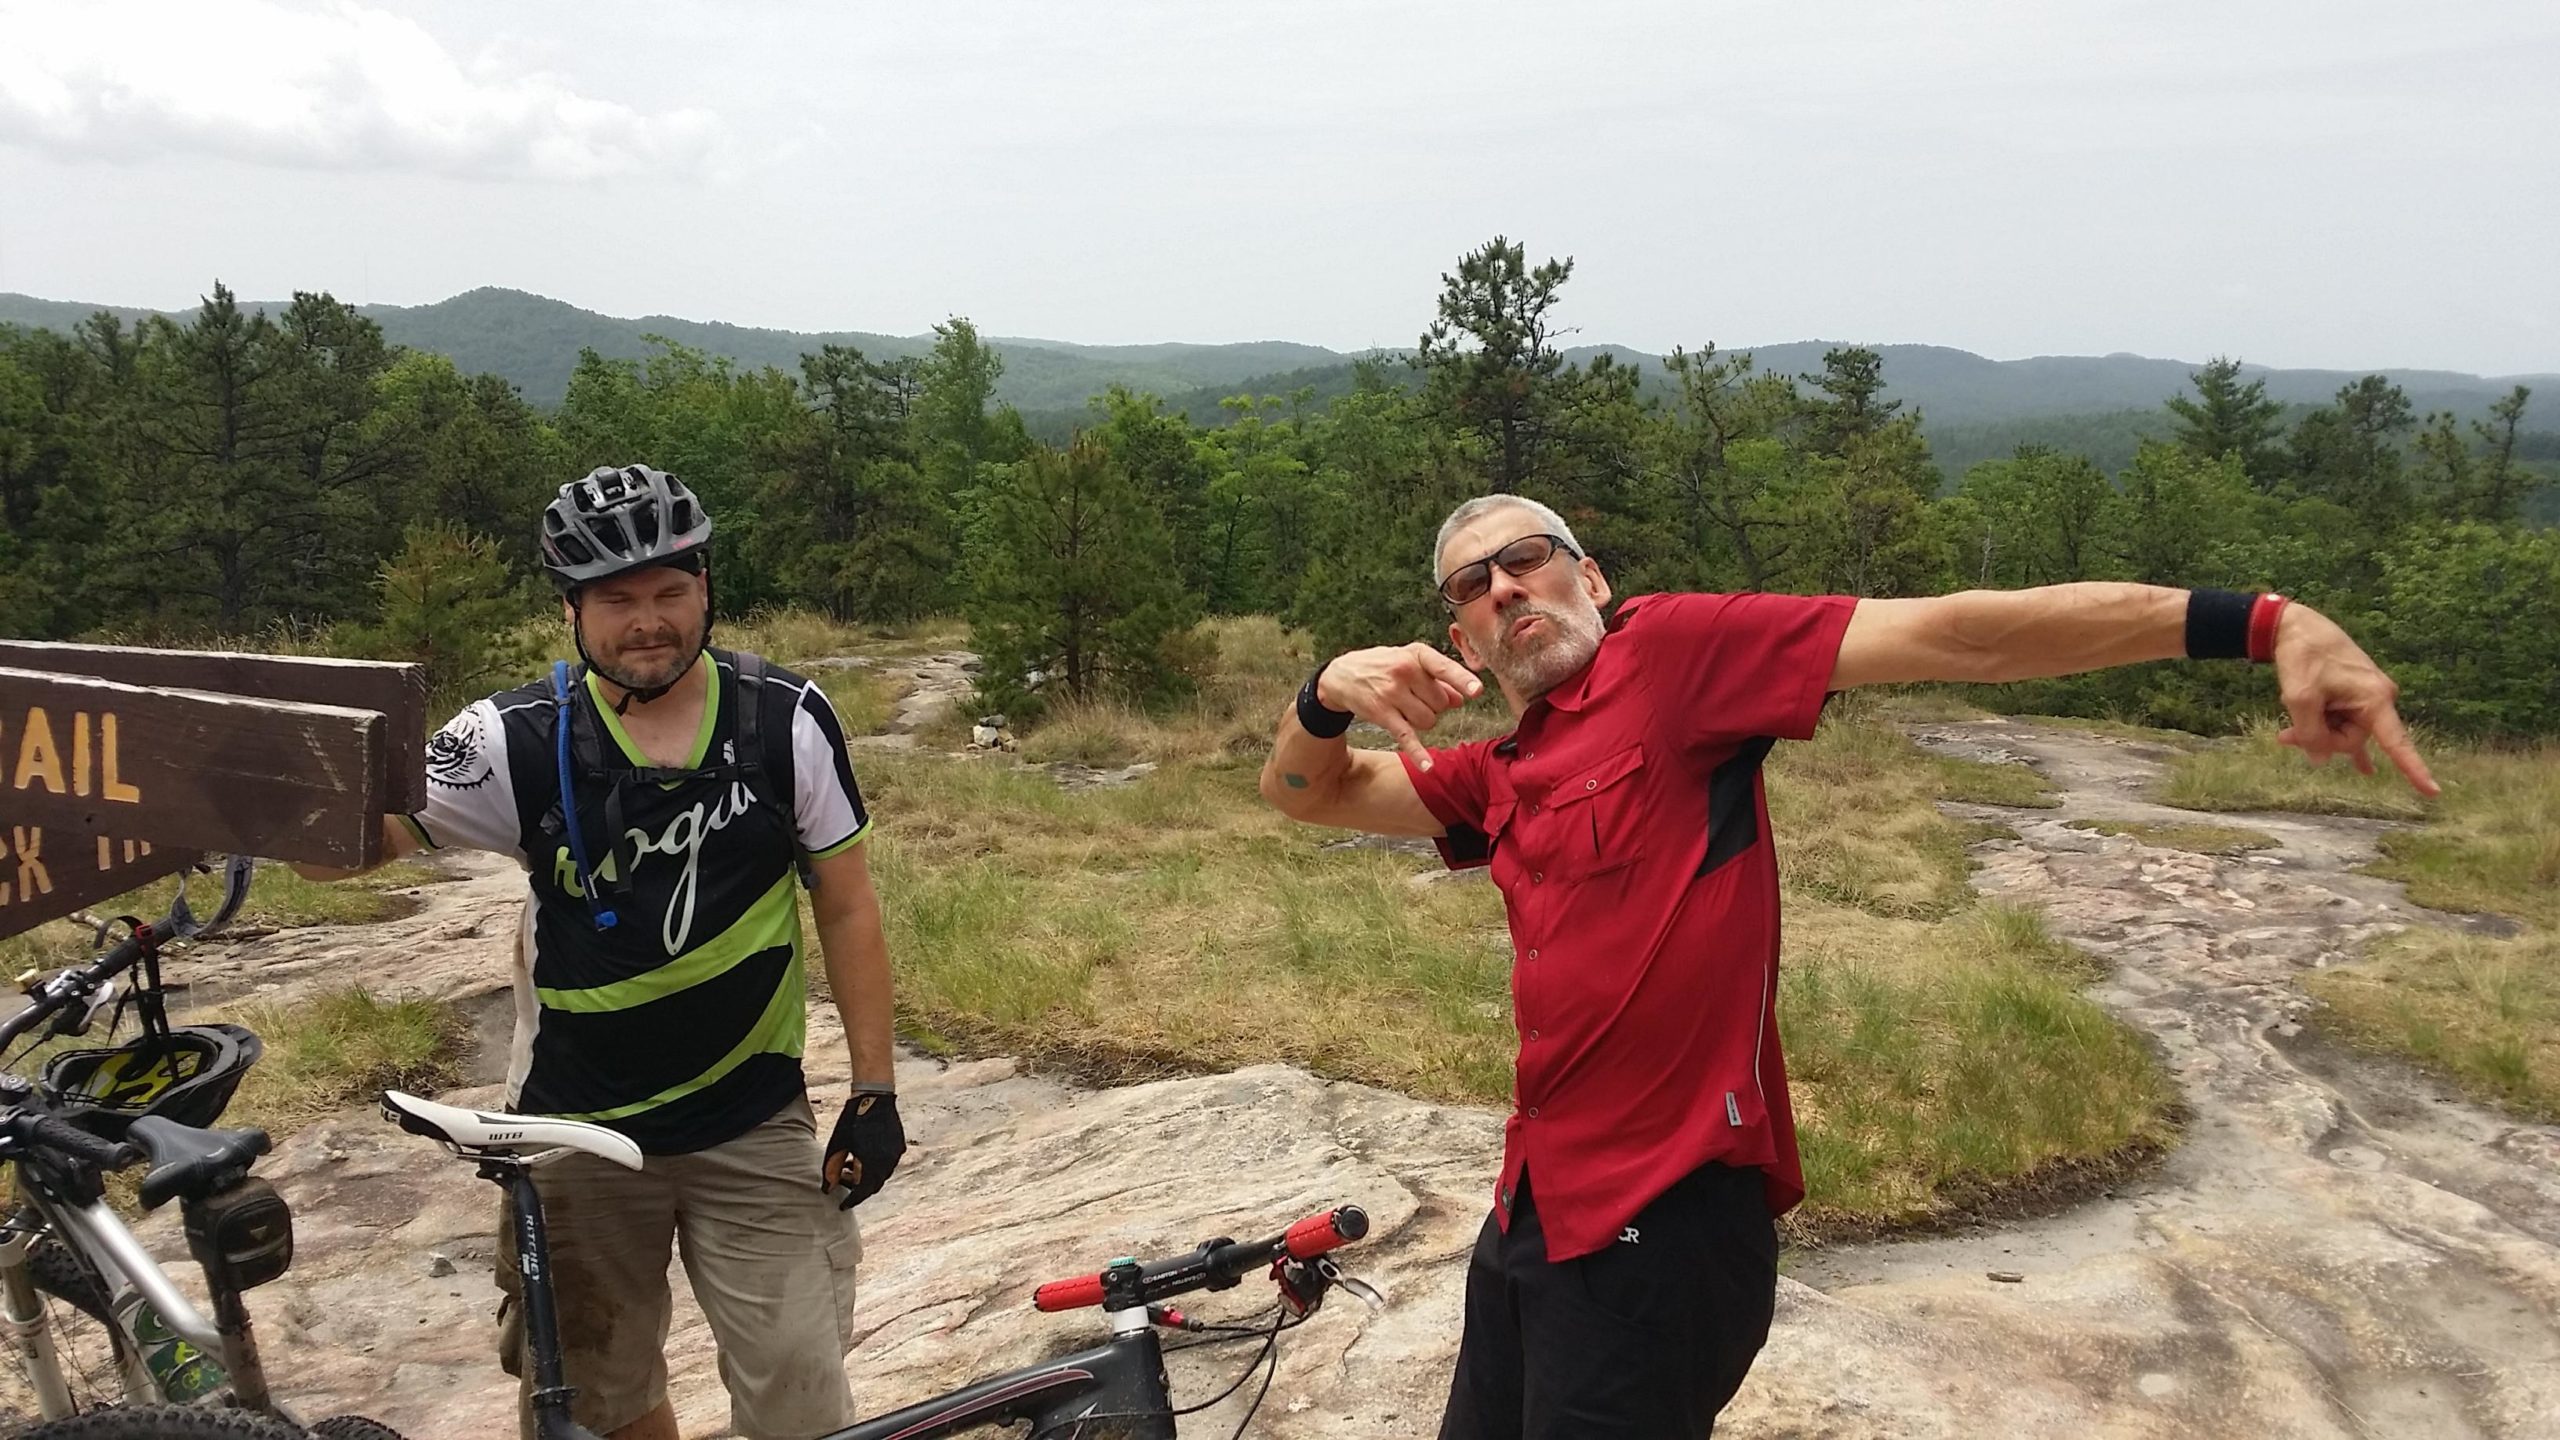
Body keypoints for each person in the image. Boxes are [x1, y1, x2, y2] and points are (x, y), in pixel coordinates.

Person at [1258, 492, 2434, 1440]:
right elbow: (1310, 795)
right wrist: (1321, 697)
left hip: (1663, 1217)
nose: (1505, 587)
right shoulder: (1506, 770)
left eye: (1528, 558)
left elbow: (1954, 632)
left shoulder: (1670, 659)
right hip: (1535, 1210)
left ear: (1591, 579)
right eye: (1473, 584)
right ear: (1460, 634)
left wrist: (2263, 622)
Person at [297, 464, 905, 1440]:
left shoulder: (781, 719)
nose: (648, 620)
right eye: (617, 599)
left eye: (670, 591)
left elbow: (845, 901)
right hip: (574, 1131)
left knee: (801, 1398)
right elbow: (361, 844)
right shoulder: (513, 738)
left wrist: (873, 1092)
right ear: (573, 611)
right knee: (593, 1400)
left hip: (748, 1120)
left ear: (706, 588)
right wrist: (221, 786)